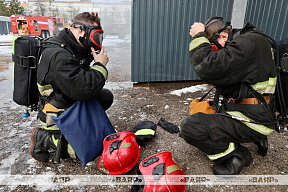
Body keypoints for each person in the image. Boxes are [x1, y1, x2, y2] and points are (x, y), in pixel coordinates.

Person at [180, 16, 277, 175]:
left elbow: (208, 66)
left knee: (189, 127)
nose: (216, 52)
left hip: (253, 118)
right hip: (259, 110)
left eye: (213, 46)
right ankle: (254, 136)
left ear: (223, 36)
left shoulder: (244, 45)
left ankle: (237, 155)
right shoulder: (250, 41)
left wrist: (199, 36)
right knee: (205, 112)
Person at [30, 12, 113, 162]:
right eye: (94, 35)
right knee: (90, 150)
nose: (97, 41)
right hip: (55, 114)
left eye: (99, 36)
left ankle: (80, 127)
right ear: (81, 30)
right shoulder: (59, 56)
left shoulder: (72, 45)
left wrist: (90, 56)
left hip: (68, 98)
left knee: (105, 96)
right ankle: (43, 138)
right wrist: (100, 66)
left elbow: (81, 74)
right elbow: (84, 89)